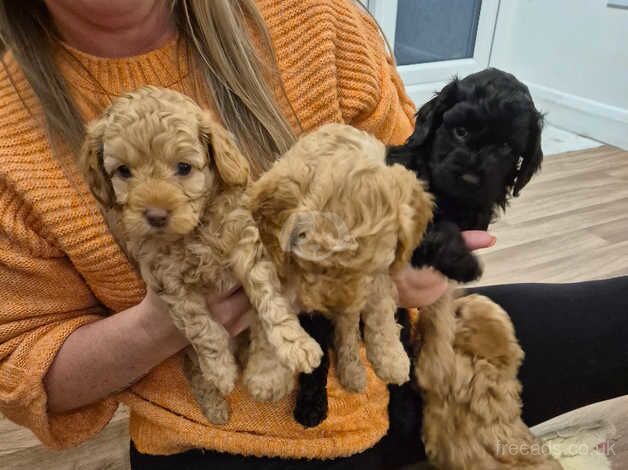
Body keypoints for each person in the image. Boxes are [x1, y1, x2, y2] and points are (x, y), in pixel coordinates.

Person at [0, 1, 626, 469]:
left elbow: (410, 172)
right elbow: (25, 369)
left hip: (388, 344)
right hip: (225, 430)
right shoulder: (14, 122)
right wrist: (170, 318)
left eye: (184, 167)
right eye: (126, 173)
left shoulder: (321, 21)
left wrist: (409, 263)